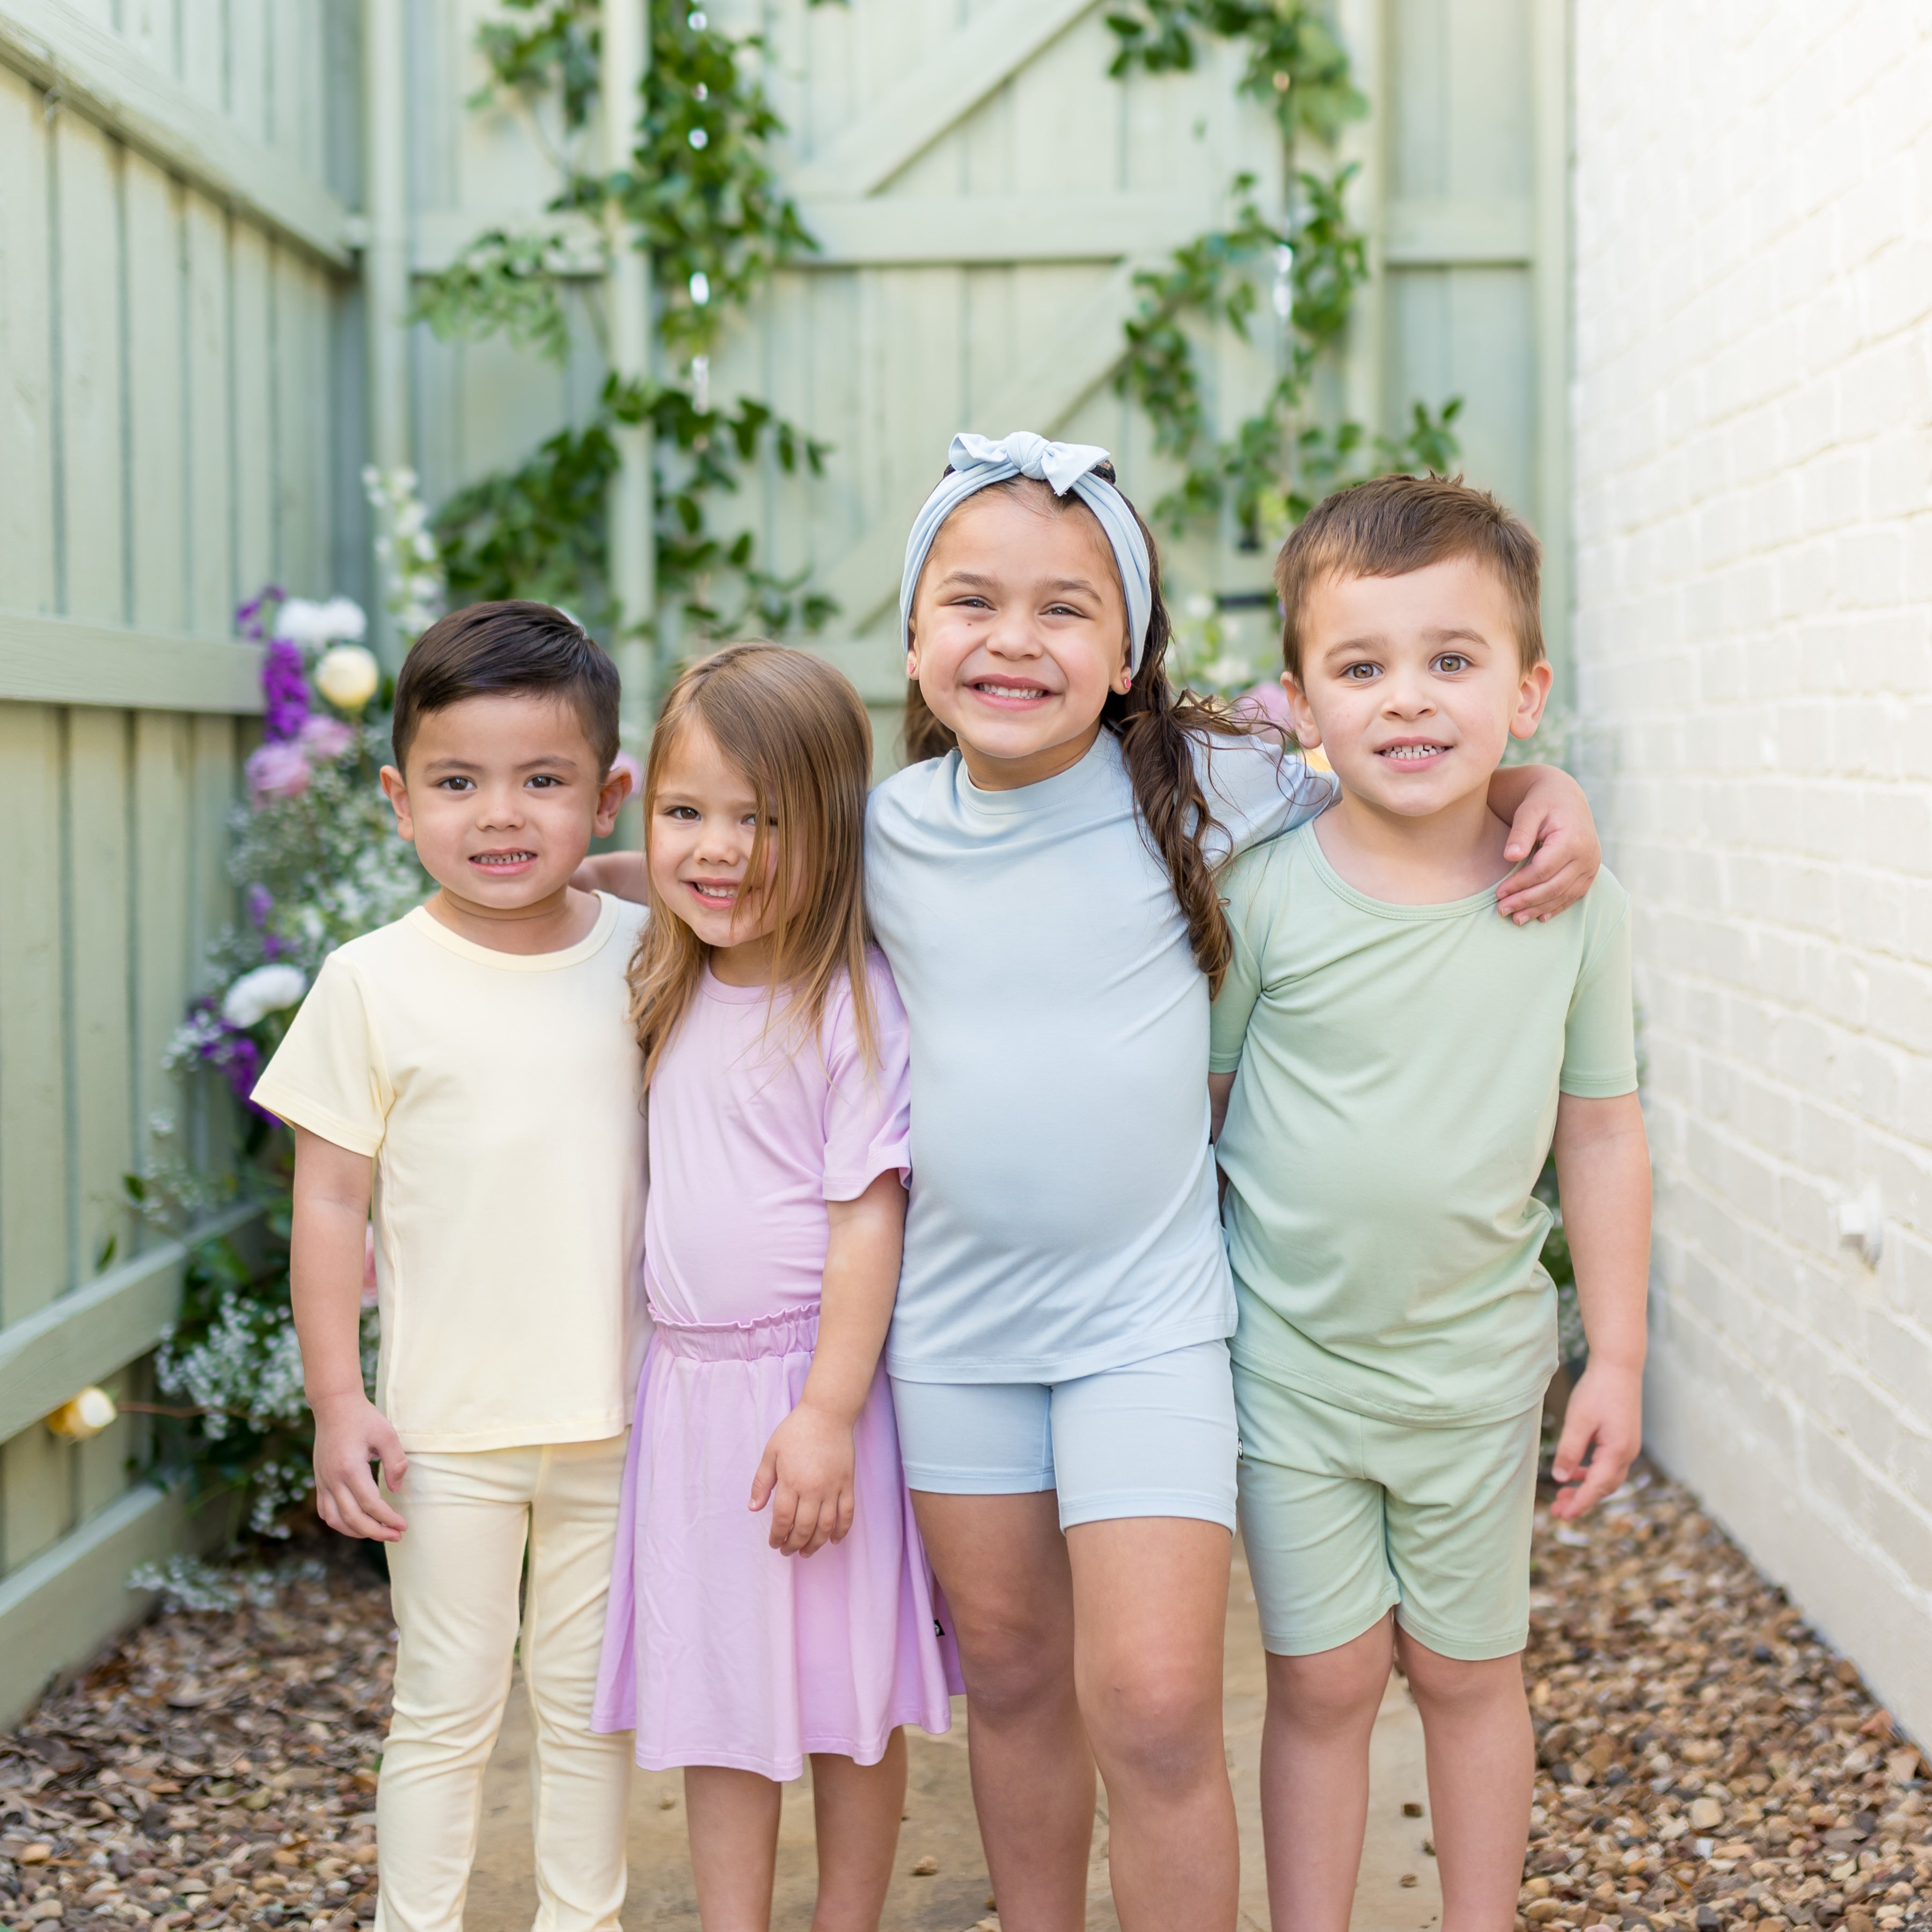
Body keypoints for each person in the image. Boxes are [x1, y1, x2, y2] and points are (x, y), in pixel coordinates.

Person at [862, 430, 1606, 1930]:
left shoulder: (1209, 787)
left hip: (1150, 1322)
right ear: (913, 631)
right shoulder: (875, 831)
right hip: (954, 1329)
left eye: (1067, 608)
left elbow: (1406, 753)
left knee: (1149, 1704)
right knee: (1009, 1679)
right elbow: (715, 883)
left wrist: (1543, 790)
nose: (1016, 640)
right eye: (973, 602)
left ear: (1132, 650)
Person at [1208, 473, 1651, 1932]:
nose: (1408, 701)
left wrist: (1621, 1360)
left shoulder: (1567, 901)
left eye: (1451, 662)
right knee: (1324, 1682)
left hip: (1474, 1368)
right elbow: (1196, 1116)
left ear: (1525, 694)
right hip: (1292, 1363)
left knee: (1470, 1673)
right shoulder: (1266, 895)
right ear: (1299, 704)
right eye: (1362, 667)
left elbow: (1599, 1131)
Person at [256, 603, 643, 1932]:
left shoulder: (649, 961)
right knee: (445, 1710)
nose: (501, 815)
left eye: (545, 782)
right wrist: (336, 1401)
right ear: (396, 798)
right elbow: (330, 1202)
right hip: (445, 1428)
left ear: (607, 796)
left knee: (593, 1715)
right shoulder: (372, 983)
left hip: (623, 1417)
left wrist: (627, 877)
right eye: (458, 783)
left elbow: (747, 884)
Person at [588, 644, 957, 1932]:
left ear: (833, 833)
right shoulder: (664, 972)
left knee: (848, 1698)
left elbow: (869, 1220)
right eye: (687, 813)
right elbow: (659, 879)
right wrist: (584, 871)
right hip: (688, 1398)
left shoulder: (846, 1000)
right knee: (719, 1700)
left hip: (812, 1390)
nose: (720, 851)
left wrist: (827, 1413)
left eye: (763, 820)